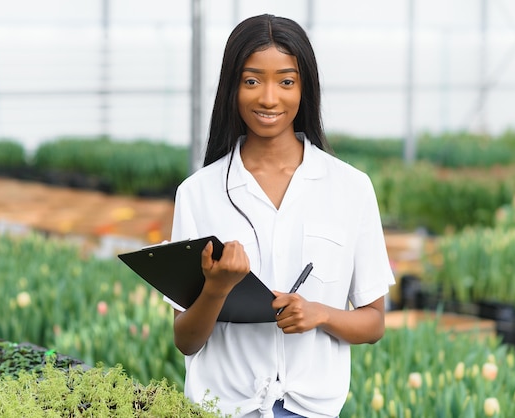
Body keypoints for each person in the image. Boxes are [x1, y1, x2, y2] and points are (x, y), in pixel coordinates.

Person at [167, 14, 395, 418]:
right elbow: (185, 340)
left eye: (286, 81)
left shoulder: (351, 188)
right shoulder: (197, 193)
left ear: (305, 88)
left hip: (311, 409)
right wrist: (217, 288)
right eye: (252, 80)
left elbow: (374, 322)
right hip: (222, 408)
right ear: (232, 88)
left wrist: (320, 313)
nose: (269, 98)